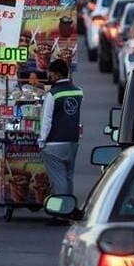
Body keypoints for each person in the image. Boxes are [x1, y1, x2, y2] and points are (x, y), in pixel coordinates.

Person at [38, 58, 83, 204]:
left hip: (54, 143)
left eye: (51, 74)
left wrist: (41, 141)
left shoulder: (52, 94)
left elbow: (46, 120)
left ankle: (60, 213)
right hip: (72, 141)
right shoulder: (78, 92)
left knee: (58, 179)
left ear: (57, 74)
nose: (49, 77)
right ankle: (69, 208)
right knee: (68, 177)